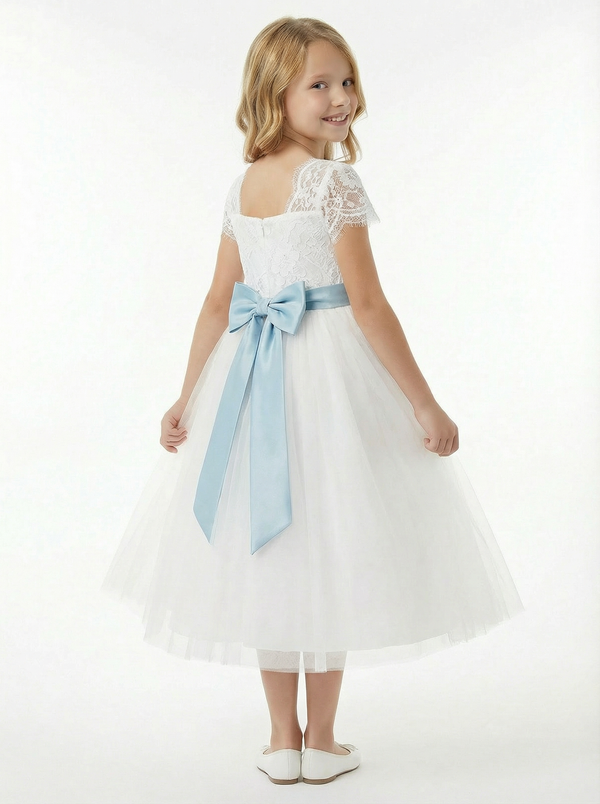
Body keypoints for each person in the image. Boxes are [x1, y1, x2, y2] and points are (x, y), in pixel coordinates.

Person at [101, 16, 525, 786]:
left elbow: (217, 302)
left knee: (271, 554)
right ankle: (322, 741)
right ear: (275, 94)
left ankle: (281, 740)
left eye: (347, 80)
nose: (341, 98)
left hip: (249, 376)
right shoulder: (333, 183)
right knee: (326, 548)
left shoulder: (243, 185)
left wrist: (189, 397)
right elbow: (368, 305)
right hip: (324, 378)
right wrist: (424, 404)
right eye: (319, 84)